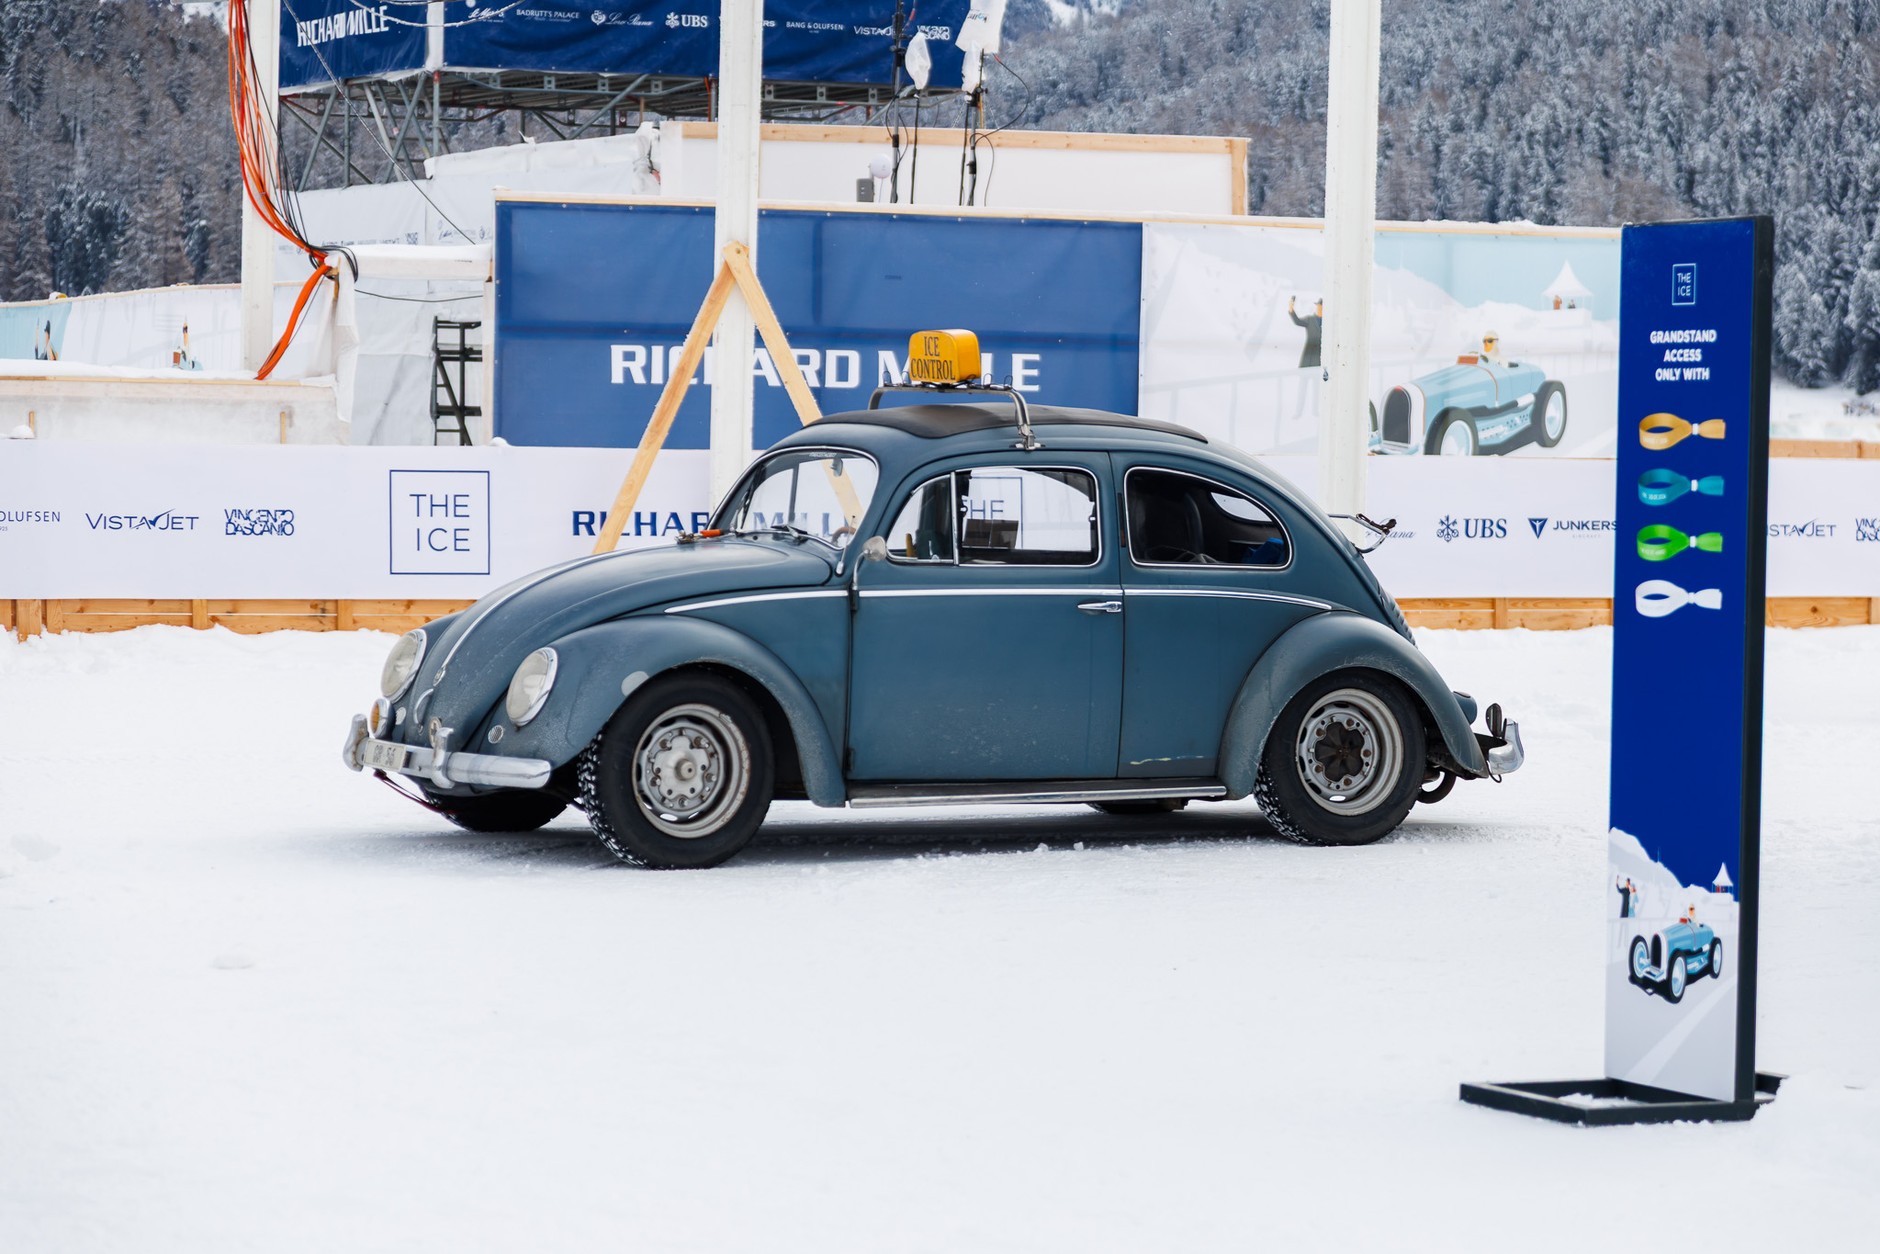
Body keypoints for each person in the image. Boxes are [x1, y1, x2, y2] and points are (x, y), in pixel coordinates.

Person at [1288, 296, 1322, 369]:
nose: (1319, 308)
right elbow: (1297, 321)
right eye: (1318, 306)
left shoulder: (1328, 323)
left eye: (1321, 307)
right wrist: (1291, 308)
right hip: (1309, 355)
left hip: (1320, 357)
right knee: (1304, 377)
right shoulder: (1310, 319)